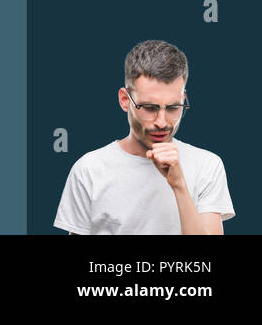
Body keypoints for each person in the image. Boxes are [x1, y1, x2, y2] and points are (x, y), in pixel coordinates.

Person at [54, 40, 233, 235]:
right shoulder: (89, 169)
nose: (162, 122)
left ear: (182, 100)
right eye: (149, 107)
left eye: (173, 107)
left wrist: (179, 185)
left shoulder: (207, 165)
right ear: (125, 100)